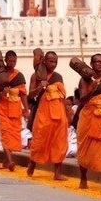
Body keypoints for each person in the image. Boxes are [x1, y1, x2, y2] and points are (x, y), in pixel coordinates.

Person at [74, 54, 101, 192]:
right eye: (97, 62)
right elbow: (82, 100)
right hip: (87, 117)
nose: (100, 64)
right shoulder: (84, 80)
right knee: (84, 148)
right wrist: (92, 89)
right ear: (91, 64)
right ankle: (83, 178)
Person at [26, 51, 68, 180]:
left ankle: (57, 173)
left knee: (60, 142)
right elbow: (31, 95)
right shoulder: (36, 76)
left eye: (55, 61)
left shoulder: (58, 77)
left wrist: (67, 115)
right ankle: (32, 163)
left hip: (59, 112)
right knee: (40, 140)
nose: (53, 64)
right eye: (51, 61)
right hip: (44, 113)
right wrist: (40, 87)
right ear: (44, 61)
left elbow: (63, 97)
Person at [0, 50, 27, 171]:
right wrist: (2, 93)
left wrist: (26, 109)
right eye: (10, 61)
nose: (12, 63)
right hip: (2, 108)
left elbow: (23, 94)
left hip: (15, 108)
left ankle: (5, 160)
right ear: (5, 61)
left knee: (13, 134)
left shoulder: (19, 76)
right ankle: (10, 161)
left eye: (14, 61)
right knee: (5, 133)